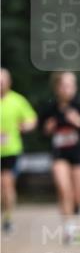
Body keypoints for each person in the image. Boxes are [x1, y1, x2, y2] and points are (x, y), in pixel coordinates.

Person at [38, 71, 80, 240]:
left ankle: (75, 209)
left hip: (78, 154)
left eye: (71, 85)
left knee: (78, 197)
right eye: (64, 85)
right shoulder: (50, 108)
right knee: (64, 189)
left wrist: (79, 122)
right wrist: (47, 129)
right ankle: (69, 229)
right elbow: (41, 133)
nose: (68, 89)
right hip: (59, 155)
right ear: (57, 87)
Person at [0, 68, 37, 234]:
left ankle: (8, 218)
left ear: (9, 82)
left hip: (11, 151)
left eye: (3, 81)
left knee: (6, 184)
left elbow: (31, 119)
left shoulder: (17, 100)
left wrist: (26, 126)